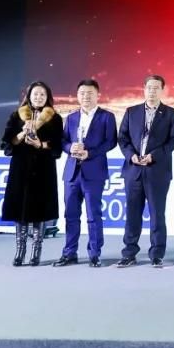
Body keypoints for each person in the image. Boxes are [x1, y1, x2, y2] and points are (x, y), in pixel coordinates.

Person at [116, 75, 174, 268]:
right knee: (132, 214)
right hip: (134, 170)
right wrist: (131, 156)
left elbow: (173, 141)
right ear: (144, 89)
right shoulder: (132, 111)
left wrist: (154, 156)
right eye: (149, 87)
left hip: (157, 171)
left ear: (162, 90)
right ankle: (129, 253)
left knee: (157, 214)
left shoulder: (171, 113)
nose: (152, 91)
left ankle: (157, 254)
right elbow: (123, 138)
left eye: (156, 88)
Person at [55, 79, 118, 267]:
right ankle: (69, 253)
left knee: (93, 215)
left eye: (90, 93)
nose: (86, 96)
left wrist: (90, 153)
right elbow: (63, 141)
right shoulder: (71, 117)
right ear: (77, 95)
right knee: (70, 215)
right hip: (72, 173)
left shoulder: (107, 117)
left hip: (94, 172)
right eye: (82, 93)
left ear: (98, 95)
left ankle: (94, 254)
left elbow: (111, 142)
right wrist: (70, 148)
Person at [1, 80, 62, 267]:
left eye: (42, 94)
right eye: (35, 94)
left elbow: (58, 146)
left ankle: (36, 252)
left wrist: (40, 144)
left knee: (39, 211)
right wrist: (21, 134)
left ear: (47, 97)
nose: (39, 97)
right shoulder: (16, 115)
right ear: (29, 96)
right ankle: (20, 251)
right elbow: (6, 143)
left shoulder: (55, 118)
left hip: (43, 169)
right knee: (20, 210)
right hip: (20, 169)